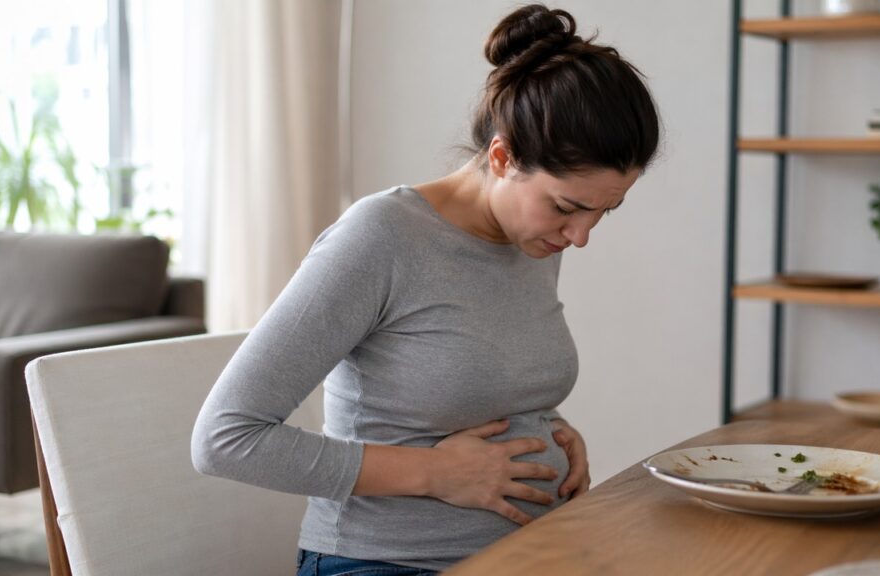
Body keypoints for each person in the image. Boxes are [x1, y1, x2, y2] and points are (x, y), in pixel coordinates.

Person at [191, 4, 659, 575]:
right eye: (567, 208)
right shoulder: (380, 237)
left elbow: (476, 371)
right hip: (387, 561)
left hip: (533, 553)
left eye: (604, 212)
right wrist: (433, 474)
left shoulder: (533, 238)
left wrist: (550, 430)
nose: (581, 236)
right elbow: (225, 438)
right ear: (502, 157)